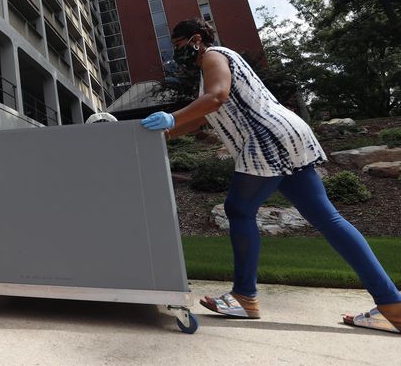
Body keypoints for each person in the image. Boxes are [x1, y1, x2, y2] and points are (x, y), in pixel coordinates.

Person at [141, 18, 401, 334]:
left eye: (178, 45)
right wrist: (157, 133)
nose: (175, 53)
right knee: (328, 220)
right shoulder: (214, 67)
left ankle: (244, 296)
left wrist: (171, 116)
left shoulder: (213, 56)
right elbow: (200, 119)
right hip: (287, 136)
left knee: (239, 209)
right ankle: (392, 304)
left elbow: (217, 97)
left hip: (266, 139)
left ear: (196, 39)